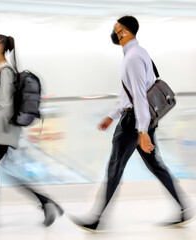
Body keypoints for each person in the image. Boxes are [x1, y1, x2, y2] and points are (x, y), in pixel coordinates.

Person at [71, 15, 193, 232]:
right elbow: (132, 95)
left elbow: (139, 96)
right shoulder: (138, 53)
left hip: (133, 122)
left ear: (124, 32)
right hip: (137, 119)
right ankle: (184, 208)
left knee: (114, 167)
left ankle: (97, 218)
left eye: (116, 29)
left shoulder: (133, 57)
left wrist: (142, 131)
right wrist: (112, 115)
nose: (113, 32)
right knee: (155, 165)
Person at [0, 34, 63, 230]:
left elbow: (4, 104)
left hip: (2, 132)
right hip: (2, 131)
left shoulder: (5, 71)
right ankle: (45, 202)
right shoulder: (1, 69)